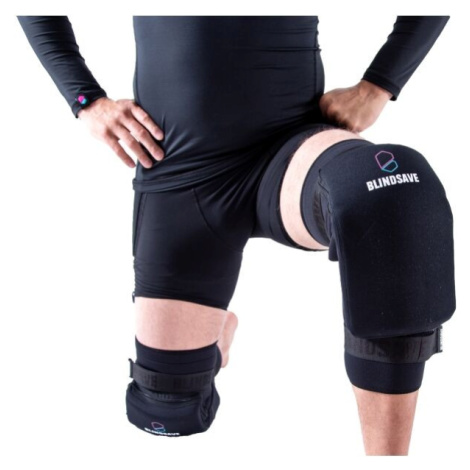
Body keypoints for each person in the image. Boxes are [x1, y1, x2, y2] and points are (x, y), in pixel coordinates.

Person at [17, 15, 455, 455]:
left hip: (290, 147)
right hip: (180, 174)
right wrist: (85, 100)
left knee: (389, 193)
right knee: (167, 410)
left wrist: (378, 85)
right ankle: (213, 338)